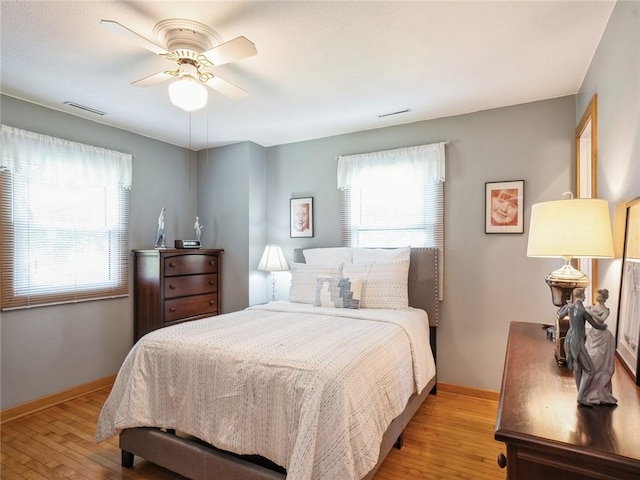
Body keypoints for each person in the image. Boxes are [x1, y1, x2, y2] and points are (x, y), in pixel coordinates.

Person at [557, 287, 608, 406]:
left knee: (577, 366)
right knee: (590, 370)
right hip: (577, 341)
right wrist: (604, 326)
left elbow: (559, 315)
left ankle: (581, 392)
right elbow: (596, 325)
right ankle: (581, 396)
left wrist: (565, 305)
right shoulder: (583, 311)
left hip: (568, 338)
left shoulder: (570, 307)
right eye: (584, 294)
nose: (585, 296)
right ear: (583, 295)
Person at [584, 289, 617, 405]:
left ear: (604, 298)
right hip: (593, 335)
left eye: (599, 296)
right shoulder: (593, 307)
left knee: (599, 363)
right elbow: (584, 309)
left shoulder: (606, 310)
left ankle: (600, 392)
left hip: (602, 337)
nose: (597, 297)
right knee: (590, 360)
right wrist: (590, 310)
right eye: (596, 296)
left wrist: (592, 312)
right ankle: (589, 391)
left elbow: (601, 320)